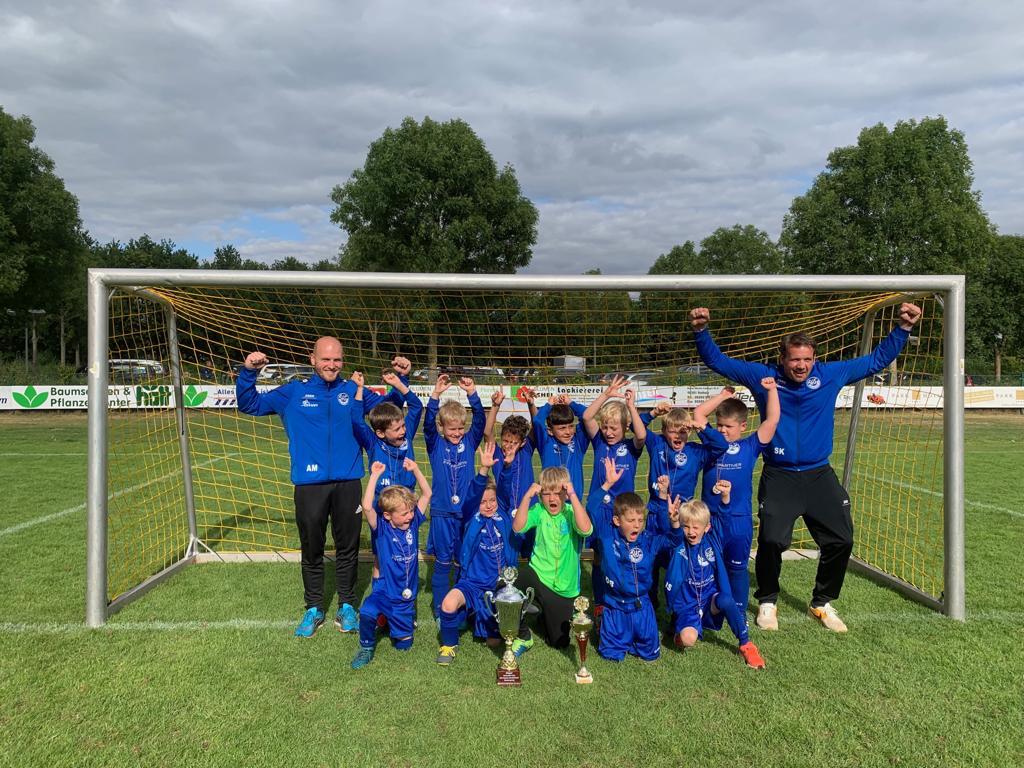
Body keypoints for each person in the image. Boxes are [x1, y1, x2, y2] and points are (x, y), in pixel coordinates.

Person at [690, 302, 923, 632]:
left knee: (841, 540)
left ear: (815, 358)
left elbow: (876, 361)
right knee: (771, 540)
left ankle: (822, 602)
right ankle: (768, 600)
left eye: (807, 359)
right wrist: (701, 331)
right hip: (780, 474)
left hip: (818, 474)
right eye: (794, 359)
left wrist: (902, 328)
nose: (801, 366)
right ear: (782, 358)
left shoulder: (830, 374)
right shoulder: (764, 377)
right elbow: (717, 361)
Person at [235, 337, 409, 637]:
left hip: (348, 483)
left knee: (348, 548)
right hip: (309, 485)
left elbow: (389, 410)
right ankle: (314, 608)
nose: (332, 365)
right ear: (312, 359)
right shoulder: (294, 392)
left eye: (338, 360)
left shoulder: (351, 391)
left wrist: (401, 377)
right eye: (326, 359)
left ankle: (347, 606)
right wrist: (249, 372)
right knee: (312, 548)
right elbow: (249, 404)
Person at [695, 380, 780, 617]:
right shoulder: (711, 442)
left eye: (728, 426)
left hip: (738, 519)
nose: (722, 430)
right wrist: (723, 396)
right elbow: (699, 414)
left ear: (743, 426)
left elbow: (771, 420)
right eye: (719, 425)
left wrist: (772, 390)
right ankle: (707, 607)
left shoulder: (750, 446)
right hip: (709, 519)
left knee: (737, 568)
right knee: (707, 564)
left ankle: (739, 612)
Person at [587, 463, 682, 662]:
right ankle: (604, 622)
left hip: (641, 607)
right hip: (614, 607)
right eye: (630, 520)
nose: (636, 525)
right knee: (610, 654)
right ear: (616, 521)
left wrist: (674, 522)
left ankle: (638, 634)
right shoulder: (606, 536)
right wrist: (607, 484)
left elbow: (674, 541)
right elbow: (592, 508)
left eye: (640, 520)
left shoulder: (648, 540)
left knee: (650, 655)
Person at [436, 442, 520, 666]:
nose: (489, 505)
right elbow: (473, 496)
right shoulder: (470, 516)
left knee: (493, 642)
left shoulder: (502, 513)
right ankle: (448, 645)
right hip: (472, 583)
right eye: (484, 502)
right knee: (448, 604)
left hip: (498, 586)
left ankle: (473, 617)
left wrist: (508, 466)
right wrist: (483, 471)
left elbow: (504, 488)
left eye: (491, 500)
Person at [639, 397, 729, 604]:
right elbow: (639, 428)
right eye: (672, 430)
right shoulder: (657, 444)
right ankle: (648, 606)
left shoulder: (696, 451)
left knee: (678, 562)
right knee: (650, 561)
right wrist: (653, 413)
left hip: (683, 516)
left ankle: (677, 614)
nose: (677, 435)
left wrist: (701, 428)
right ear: (664, 431)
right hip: (656, 512)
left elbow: (721, 445)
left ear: (688, 432)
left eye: (682, 431)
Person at [664, 498, 766, 669]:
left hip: (710, 600)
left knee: (726, 599)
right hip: (688, 605)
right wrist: (674, 522)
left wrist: (726, 501)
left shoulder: (713, 542)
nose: (690, 531)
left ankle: (746, 644)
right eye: (686, 526)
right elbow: (674, 537)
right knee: (688, 640)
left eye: (695, 527)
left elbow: (724, 522)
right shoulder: (679, 545)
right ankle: (679, 629)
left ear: (706, 528)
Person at [350, 459, 432, 670]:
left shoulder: (413, 523)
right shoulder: (382, 528)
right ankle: (366, 647)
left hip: (405, 597)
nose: (410, 516)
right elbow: (367, 506)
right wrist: (375, 475)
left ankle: (388, 621)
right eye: (404, 513)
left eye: (411, 511)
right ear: (387, 515)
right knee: (367, 611)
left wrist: (415, 470)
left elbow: (427, 494)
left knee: (404, 646)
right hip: (385, 589)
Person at [511, 467, 593, 656]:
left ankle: (542, 615)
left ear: (565, 493)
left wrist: (573, 495)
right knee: (505, 586)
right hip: (538, 576)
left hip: (564, 589)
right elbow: (518, 527)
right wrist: (527, 497)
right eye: (546, 493)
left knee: (559, 642)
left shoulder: (572, 512)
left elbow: (586, 529)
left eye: (557, 493)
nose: (552, 498)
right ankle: (524, 635)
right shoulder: (539, 510)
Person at [580, 376, 646, 608]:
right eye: (605, 426)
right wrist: (607, 394)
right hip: (600, 510)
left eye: (613, 428)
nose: (608, 432)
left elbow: (641, 436)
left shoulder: (630, 447)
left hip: (624, 513)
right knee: (599, 558)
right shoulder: (599, 443)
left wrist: (631, 407)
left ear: (625, 427)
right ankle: (600, 602)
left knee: (623, 556)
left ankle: (624, 596)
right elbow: (587, 416)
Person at [424, 373, 486, 617]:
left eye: (461, 427)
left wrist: (472, 393)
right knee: (442, 562)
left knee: (464, 560)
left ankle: (461, 608)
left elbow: (479, 421)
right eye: (452, 428)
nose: (458, 432)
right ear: (442, 427)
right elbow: (428, 423)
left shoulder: (469, 442)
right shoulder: (435, 444)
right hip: (441, 513)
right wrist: (436, 395)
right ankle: (441, 611)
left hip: (467, 512)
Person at [351, 370, 424, 501]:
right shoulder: (373, 442)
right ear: (380, 433)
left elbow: (417, 407)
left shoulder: (407, 435)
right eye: (396, 429)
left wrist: (399, 385)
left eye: (403, 426)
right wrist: (360, 389)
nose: (402, 431)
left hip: (407, 503)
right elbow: (357, 420)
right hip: (381, 505)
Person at [483, 387, 538, 556]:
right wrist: (495, 406)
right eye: (505, 440)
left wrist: (531, 404)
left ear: (521, 443)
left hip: (529, 509)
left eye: (513, 442)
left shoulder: (526, 450)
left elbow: (537, 428)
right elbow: (487, 432)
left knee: (530, 555)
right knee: (506, 554)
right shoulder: (497, 453)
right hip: (504, 510)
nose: (508, 445)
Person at [532, 395, 590, 497]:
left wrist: (571, 403)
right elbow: (537, 421)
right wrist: (548, 405)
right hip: (551, 500)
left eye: (571, 426)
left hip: (573, 503)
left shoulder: (578, 442)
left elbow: (587, 415)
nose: (568, 432)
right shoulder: (546, 443)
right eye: (562, 428)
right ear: (550, 431)